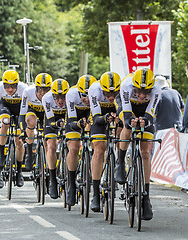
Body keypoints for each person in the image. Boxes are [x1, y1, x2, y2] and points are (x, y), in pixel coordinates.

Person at [118, 68, 161, 220]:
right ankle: (120, 163)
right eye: (139, 91)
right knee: (127, 128)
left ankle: (146, 197)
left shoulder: (157, 90)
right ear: (134, 87)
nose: (142, 95)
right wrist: (131, 120)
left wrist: (146, 121)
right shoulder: (126, 85)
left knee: (145, 152)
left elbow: (150, 114)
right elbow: (127, 113)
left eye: (146, 92)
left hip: (145, 110)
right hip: (128, 106)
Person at [88, 72, 122, 212]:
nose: (110, 97)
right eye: (107, 94)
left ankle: (119, 163)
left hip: (116, 112)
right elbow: (96, 118)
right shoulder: (94, 90)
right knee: (99, 149)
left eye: (114, 93)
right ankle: (95, 194)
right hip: (99, 115)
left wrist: (119, 120)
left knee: (122, 133)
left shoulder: (123, 93)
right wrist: (106, 118)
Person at [64, 75, 96, 205]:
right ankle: (71, 184)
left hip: (91, 114)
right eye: (83, 95)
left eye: (89, 95)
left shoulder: (98, 94)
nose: (87, 99)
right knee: (74, 147)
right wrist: (78, 124)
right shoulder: (71, 94)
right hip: (75, 116)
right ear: (78, 92)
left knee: (99, 145)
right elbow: (71, 121)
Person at [0, 70, 28, 188]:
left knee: (19, 141)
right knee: (5, 123)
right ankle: (2, 155)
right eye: (7, 86)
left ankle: (19, 171)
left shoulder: (24, 89)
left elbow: (26, 110)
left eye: (13, 86)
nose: (10, 90)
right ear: (3, 85)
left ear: (18, 84)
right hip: (5, 107)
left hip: (19, 110)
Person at [42, 79, 69, 199]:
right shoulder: (46, 98)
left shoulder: (71, 98)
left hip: (67, 117)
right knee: (51, 147)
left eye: (63, 97)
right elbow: (50, 120)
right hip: (52, 119)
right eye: (57, 98)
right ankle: (52, 179)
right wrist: (58, 125)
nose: (60, 101)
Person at [19, 73, 52, 171]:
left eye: (46, 89)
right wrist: (22, 130)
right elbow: (22, 112)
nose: (43, 92)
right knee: (30, 121)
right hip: (33, 111)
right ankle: (29, 153)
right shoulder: (28, 91)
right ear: (35, 88)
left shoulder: (52, 94)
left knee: (47, 139)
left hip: (46, 112)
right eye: (40, 89)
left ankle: (47, 164)